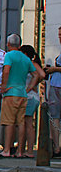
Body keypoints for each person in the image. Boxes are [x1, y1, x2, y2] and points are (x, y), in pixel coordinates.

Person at [0, 34, 39, 158]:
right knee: (21, 122)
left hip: (11, 93)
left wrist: (4, 86)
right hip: (23, 94)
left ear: (8, 44)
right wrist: (29, 88)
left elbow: (6, 70)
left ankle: (7, 150)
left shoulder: (9, 55)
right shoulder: (26, 58)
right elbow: (36, 75)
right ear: (19, 45)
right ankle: (20, 151)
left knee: (9, 122)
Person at [18, 44, 44, 158]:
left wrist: (32, 85)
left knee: (26, 123)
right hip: (30, 96)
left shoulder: (32, 64)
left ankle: (28, 150)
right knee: (25, 123)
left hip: (29, 96)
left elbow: (42, 74)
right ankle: (23, 149)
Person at [46, 26, 61, 158]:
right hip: (55, 84)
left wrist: (54, 70)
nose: (59, 37)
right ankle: (56, 146)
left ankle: (57, 148)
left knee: (55, 117)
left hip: (58, 86)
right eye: (59, 35)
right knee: (54, 117)